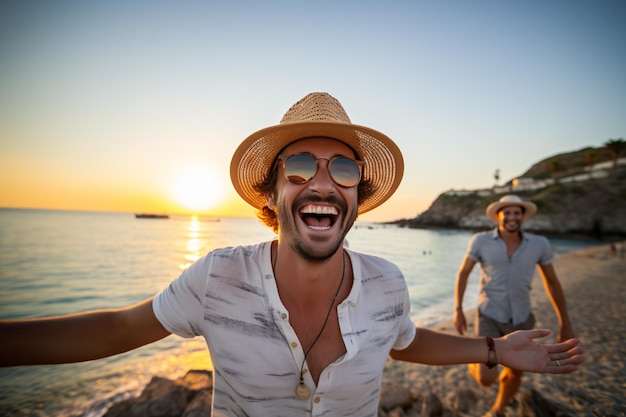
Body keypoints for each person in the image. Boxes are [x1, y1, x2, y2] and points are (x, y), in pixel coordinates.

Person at [1, 93, 583, 417]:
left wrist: (492, 349)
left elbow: (404, 340)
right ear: (271, 192)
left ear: (358, 196)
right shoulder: (217, 277)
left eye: (344, 169)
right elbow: (116, 327)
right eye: (300, 167)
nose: (323, 183)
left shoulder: (388, 282)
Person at [453, 194, 576, 417]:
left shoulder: (539, 244)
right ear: (498, 216)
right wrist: (458, 309)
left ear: (522, 216)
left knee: (515, 373)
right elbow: (463, 273)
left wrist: (564, 323)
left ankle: (498, 409)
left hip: (522, 318)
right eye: (507, 212)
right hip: (489, 314)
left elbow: (552, 282)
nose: (512, 217)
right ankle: (476, 359)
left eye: (516, 212)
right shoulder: (480, 241)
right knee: (486, 378)